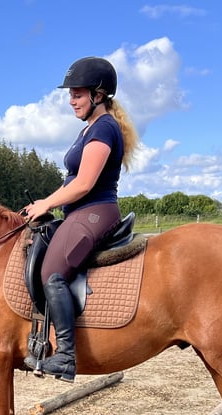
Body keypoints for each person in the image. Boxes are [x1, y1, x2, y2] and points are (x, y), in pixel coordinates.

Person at [24, 56, 138, 382]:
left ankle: (65, 357)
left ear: (98, 95)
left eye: (78, 94)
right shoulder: (88, 128)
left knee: (52, 272)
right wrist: (46, 205)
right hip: (79, 212)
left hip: (95, 211)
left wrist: (47, 201)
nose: (71, 100)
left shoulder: (103, 127)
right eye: (70, 94)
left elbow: (85, 183)